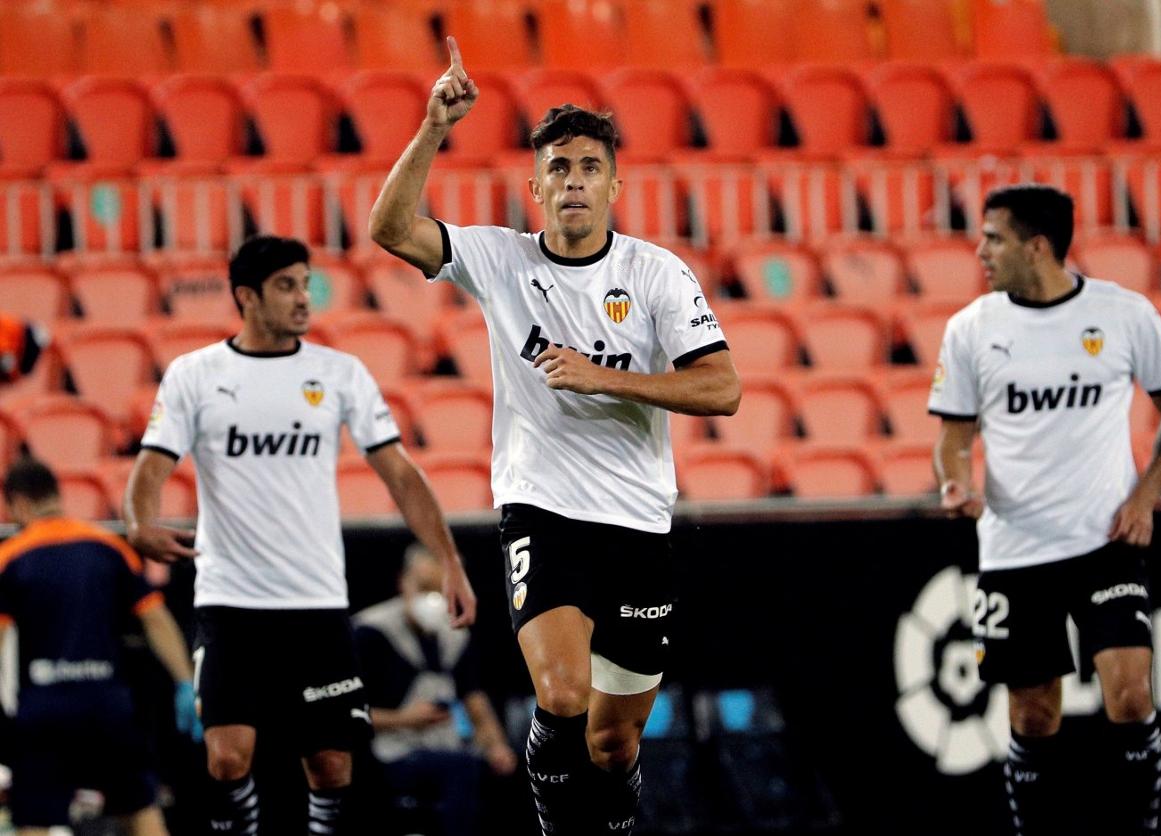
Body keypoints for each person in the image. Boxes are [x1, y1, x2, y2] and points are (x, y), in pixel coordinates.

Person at [368, 36, 741, 836]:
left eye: (590, 167)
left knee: (614, 742)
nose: (574, 181)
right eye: (559, 168)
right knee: (563, 695)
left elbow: (723, 388)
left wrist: (605, 377)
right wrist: (434, 128)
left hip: (638, 521)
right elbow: (391, 229)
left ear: (614, 184)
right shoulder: (500, 259)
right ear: (535, 186)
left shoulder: (656, 273)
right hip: (542, 510)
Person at [123, 235, 476, 835]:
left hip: (315, 601)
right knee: (227, 758)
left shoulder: (338, 374)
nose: (302, 297)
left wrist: (450, 561)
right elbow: (150, 469)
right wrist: (138, 523)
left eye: (305, 284)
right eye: (286, 286)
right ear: (246, 296)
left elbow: (400, 474)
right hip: (231, 599)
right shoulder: (195, 375)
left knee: (332, 766)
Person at [929, 184, 1161, 836]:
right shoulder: (971, 329)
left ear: (1037, 246)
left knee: (1130, 693)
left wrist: (1145, 496)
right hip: (1015, 549)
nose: (979, 251)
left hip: (1107, 540)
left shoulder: (1124, 314)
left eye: (993, 238)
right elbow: (953, 440)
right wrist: (956, 484)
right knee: (1033, 715)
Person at [0, 457, 201, 836]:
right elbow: (155, 619)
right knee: (141, 812)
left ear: (19, 503)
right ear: (56, 494)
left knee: (35, 822)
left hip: (44, 709)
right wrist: (185, 683)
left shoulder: (9, 557)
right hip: (107, 705)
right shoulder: (109, 547)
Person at [353, 545, 518, 835]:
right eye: (424, 587)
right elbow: (345, 713)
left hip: (445, 747)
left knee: (506, 770)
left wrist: (496, 746)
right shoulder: (369, 632)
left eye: (440, 590)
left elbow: (474, 699)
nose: (432, 600)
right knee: (461, 770)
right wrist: (404, 719)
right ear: (403, 582)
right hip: (388, 753)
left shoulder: (455, 635)